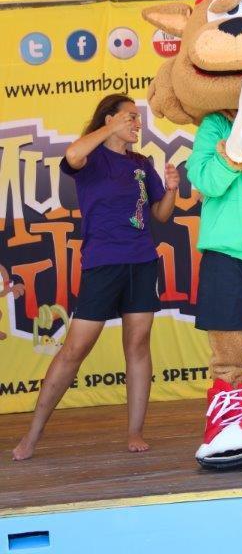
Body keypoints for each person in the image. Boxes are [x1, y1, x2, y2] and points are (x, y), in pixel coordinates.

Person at [13, 94, 179, 460]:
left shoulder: (141, 163)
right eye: (130, 117)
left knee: (138, 346)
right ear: (109, 119)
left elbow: (161, 215)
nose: (137, 123)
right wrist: (107, 129)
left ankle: (135, 431)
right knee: (74, 350)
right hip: (103, 264)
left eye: (138, 118)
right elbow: (72, 155)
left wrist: (171, 190)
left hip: (142, 262)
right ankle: (32, 435)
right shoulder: (91, 158)